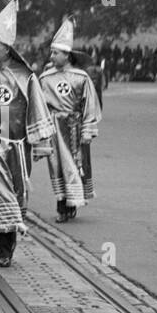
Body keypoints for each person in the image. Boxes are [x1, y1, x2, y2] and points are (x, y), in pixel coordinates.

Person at [0, 0, 54, 267]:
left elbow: (37, 109)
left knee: (16, 194)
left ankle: (10, 243)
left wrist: (40, 145)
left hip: (19, 145)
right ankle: (3, 249)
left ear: (7, 49)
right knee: (0, 194)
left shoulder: (26, 77)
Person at [39, 16, 102, 223]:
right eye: (52, 52)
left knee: (75, 166)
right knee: (57, 166)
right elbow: (38, 107)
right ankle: (62, 204)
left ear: (67, 55)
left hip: (73, 128)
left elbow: (89, 106)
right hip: (53, 129)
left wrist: (87, 131)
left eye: (56, 52)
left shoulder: (81, 78)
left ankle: (71, 204)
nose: (52, 55)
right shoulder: (45, 78)